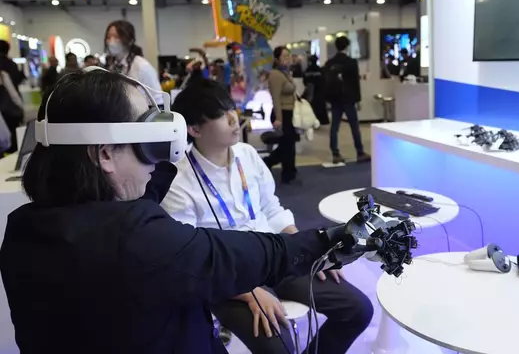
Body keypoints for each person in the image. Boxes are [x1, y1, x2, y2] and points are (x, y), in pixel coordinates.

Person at [0, 69, 369, 354]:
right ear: (105, 154)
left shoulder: (24, 229)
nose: (157, 154)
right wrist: (328, 242)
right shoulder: (134, 238)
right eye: (145, 140)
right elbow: (228, 258)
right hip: (243, 270)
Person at [162, 78, 374, 354]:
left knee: (357, 309)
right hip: (228, 275)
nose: (232, 118)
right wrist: (248, 291)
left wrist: (311, 252)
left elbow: (272, 208)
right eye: (219, 114)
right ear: (194, 129)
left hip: (276, 255)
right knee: (280, 348)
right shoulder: (179, 180)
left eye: (231, 108)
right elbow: (193, 261)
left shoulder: (247, 154)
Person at [323, 36, 370, 165]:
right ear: (347, 47)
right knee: (354, 126)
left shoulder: (330, 63)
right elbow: (355, 82)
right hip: (349, 98)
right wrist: (358, 99)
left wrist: (327, 98)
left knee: (334, 127)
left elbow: (325, 82)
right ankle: (360, 152)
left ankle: (335, 153)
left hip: (335, 99)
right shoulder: (351, 62)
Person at [104, 20, 164, 105]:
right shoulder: (113, 67)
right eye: (108, 37)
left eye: (116, 37)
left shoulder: (141, 66)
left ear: (130, 40)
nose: (111, 41)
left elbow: (158, 101)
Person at [264, 46, 298, 184]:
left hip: (288, 113)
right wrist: (279, 119)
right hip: (281, 113)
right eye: (284, 56)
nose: (288, 58)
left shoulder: (285, 73)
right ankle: (268, 163)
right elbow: (276, 98)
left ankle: (289, 170)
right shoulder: (275, 75)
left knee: (289, 143)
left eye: (289, 55)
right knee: (287, 145)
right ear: (276, 59)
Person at [303, 54, 329, 125]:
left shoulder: (307, 70)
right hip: (319, 92)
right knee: (319, 107)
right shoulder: (319, 70)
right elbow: (323, 81)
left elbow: (305, 81)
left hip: (310, 92)